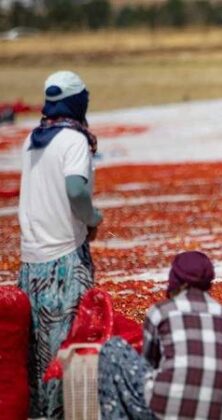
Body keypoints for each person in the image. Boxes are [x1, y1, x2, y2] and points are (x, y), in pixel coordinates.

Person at [17, 70, 102, 418]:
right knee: (65, 351)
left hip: (31, 258)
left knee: (35, 352)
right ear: (79, 102)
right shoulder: (74, 141)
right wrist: (92, 219)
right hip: (64, 259)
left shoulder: (34, 139)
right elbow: (75, 190)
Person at [98, 251, 222, 420]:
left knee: (113, 348)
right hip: (213, 412)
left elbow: (149, 363)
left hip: (164, 410)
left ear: (176, 277)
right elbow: (220, 359)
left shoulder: (160, 312)